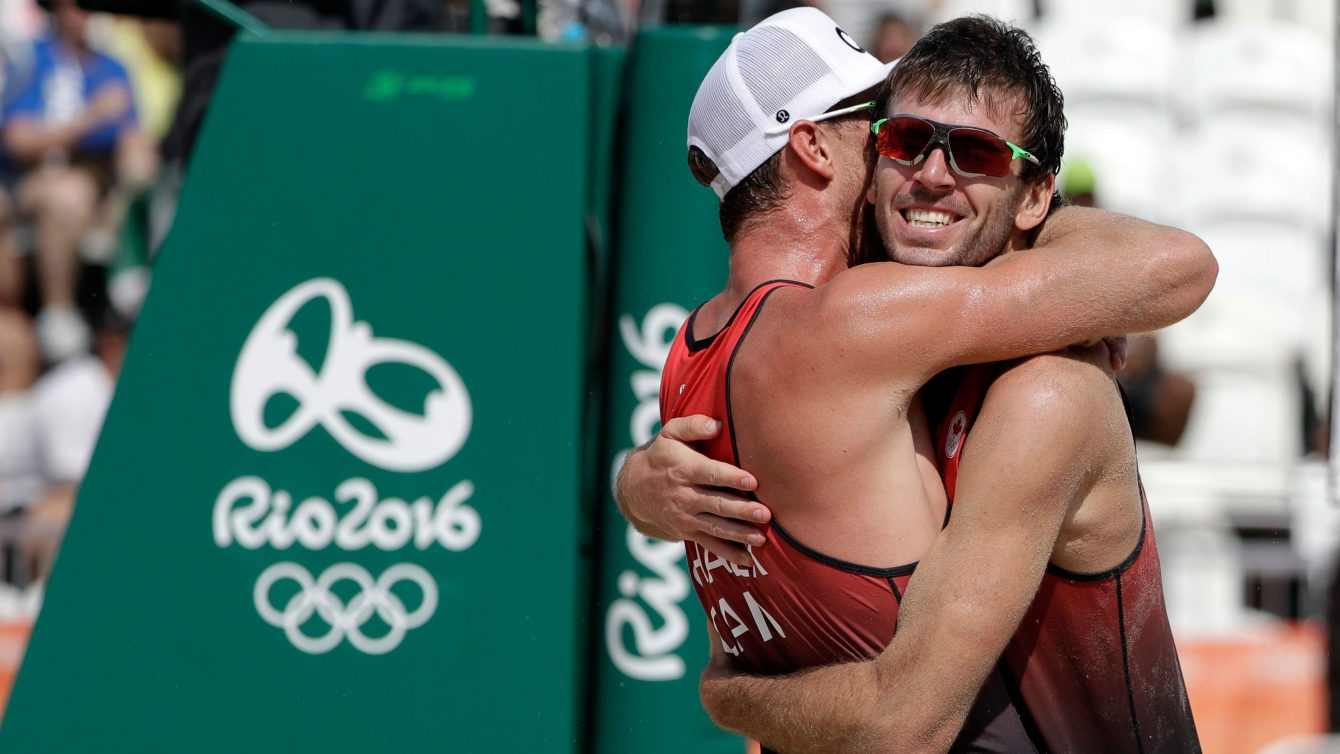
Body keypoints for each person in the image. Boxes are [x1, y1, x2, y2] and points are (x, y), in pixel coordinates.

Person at [618, 13, 1210, 753]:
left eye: (976, 153)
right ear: (814, 148)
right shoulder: (866, 330)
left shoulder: (697, 350)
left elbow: (894, 721)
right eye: (894, 136)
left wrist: (729, 694)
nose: (927, 171)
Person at [2, 0, 157, 362]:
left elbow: (131, 134)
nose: (84, 13)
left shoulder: (113, 66)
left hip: (98, 187)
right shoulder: (31, 59)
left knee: (137, 163)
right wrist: (89, 120)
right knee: (66, 195)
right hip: (33, 185)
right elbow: (18, 140)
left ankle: (130, 264)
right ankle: (59, 312)